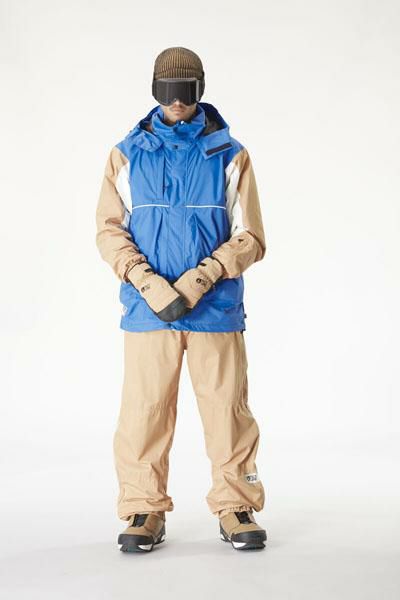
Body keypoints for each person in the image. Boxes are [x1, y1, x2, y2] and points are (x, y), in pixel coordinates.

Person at [95, 46, 268, 552]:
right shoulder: (127, 155)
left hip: (215, 308)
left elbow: (251, 236)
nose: (176, 100)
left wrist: (201, 278)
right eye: (168, 90)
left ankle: (236, 506)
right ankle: (143, 508)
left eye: (186, 89)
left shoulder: (229, 154)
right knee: (143, 411)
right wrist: (146, 281)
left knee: (227, 409)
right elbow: (108, 231)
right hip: (148, 310)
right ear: (155, 90)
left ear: (200, 89)